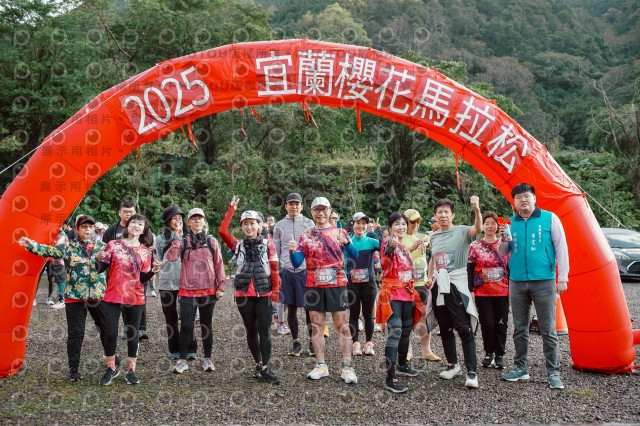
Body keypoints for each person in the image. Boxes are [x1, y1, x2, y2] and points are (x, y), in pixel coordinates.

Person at [20, 215, 111, 381]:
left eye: (90, 227)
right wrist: (31, 245)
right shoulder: (69, 247)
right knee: (76, 333)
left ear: (94, 229)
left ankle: (112, 361)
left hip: (98, 295)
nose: (87, 230)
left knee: (106, 329)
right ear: (77, 229)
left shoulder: (103, 247)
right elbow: (50, 251)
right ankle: (74, 369)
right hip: (75, 296)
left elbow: (117, 264)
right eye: (84, 227)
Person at [498, 183, 569, 390]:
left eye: (527, 196)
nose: (523, 200)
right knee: (520, 328)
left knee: (548, 329)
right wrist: (503, 238)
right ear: (514, 201)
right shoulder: (510, 222)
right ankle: (521, 368)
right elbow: (503, 252)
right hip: (517, 281)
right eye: (518, 197)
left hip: (544, 280)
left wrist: (562, 277)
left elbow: (561, 247)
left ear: (535, 198)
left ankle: (553, 372)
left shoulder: (549, 218)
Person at [289, 197, 359, 383]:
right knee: (317, 325)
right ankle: (321, 365)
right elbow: (297, 263)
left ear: (329, 211)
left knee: (342, 325)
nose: (321, 213)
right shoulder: (306, 235)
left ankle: (347, 367)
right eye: (317, 210)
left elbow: (355, 256)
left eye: (324, 209)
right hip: (314, 284)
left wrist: (347, 243)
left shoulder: (340, 232)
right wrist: (291, 251)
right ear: (312, 212)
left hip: (337, 283)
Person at [219, 196, 281, 384]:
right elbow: (222, 231)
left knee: (265, 330)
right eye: (245, 224)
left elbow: (274, 268)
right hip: (243, 294)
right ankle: (258, 363)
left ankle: (266, 367)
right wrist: (231, 210)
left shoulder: (268, 244)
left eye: (252, 223)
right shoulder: (237, 245)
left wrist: (276, 292)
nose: (249, 227)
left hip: (264, 293)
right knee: (251, 330)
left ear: (260, 225)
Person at [96, 214, 159, 385]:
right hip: (113, 295)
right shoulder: (113, 244)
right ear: (127, 225)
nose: (136, 225)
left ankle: (131, 371)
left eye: (140, 224)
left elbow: (142, 278)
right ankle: (111, 368)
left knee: (133, 334)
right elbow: (100, 269)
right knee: (110, 333)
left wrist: (153, 271)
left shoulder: (145, 251)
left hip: (135, 296)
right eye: (133, 222)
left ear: (143, 230)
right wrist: (98, 259)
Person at [426, 196, 482, 389]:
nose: (443, 215)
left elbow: (478, 228)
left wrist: (476, 209)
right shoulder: (434, 237)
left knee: (464, 328)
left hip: (456, 284)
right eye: (439, 212)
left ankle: (471, 372)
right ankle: (452, 365)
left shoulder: (463, 231)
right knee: (445, 327)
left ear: (453, 215)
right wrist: (430, 277)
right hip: (439, 285)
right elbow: (433, 260)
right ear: (435, 216)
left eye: (446, 212)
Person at [166, 208, 226, 374]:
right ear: (189, 223)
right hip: (188, 290)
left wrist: (221, 286)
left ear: (204, 221)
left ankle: (207, 359)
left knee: (206, 325)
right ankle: (182, 360)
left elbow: (219, 264)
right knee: (186, 325)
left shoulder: (212, 241)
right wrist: (177, 238)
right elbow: (171, 257)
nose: (197, 221)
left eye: (200, 218)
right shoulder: (183, 241)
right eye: (194, 219)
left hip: (208, 290)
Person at [376, 212, 423, 393]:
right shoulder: (387, 242)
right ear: (390, 228)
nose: (401, 227)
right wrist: (392, 244)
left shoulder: (403, 247)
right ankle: (390, 378)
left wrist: (412, 247)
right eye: (397, 224)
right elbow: (389, 250)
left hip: (407, 293)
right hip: (392, 294)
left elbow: (400, 256)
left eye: (404, 224)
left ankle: (402, 365)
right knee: (395, 332)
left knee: (405, 330)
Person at [272, 193, 315, 356]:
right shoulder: (279, 226)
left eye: (297, 204)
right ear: (286, 206)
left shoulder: (309, 223)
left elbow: (314, 247)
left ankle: (312, 342)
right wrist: (277, 272)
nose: (294, 207)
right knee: (291, 308)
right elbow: (276, 250)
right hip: (287, 271)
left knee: (309, 309)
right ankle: (296, 342)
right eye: (291, 204)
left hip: (305, 270)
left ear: (302, 206)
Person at [467, 211, 510, 369]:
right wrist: (470, 289)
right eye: (487, 223)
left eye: (493, 223)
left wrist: (511, 289)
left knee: (501, 323)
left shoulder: (504, 245)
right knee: (487, 323)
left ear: (498, 226)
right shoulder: (475, 246)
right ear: (482, 226)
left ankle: (499, 354)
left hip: (502, 290)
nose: (490, 226)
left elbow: (510, 268)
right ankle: (488, 352)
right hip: (482, 291)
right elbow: (470, 268)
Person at [154, 205, 197, 360]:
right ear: (168, 221)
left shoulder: (189, 237)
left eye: (180, 218)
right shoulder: (160, 239)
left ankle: (191, 347)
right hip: (166, 282)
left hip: (186, 282)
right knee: (170, 317)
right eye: (174, 218)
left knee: (187, 316)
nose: (178, 221)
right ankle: (175, 349)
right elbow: (157, 260)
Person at [403, 208, 440, 362]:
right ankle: (408, 350)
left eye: (418, 221)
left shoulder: (423, 236)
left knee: (424, 315)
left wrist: (425, 243)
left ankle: (427, 350)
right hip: (406, 283)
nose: (416, 224)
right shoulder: (400, 237)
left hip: (421, 282)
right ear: (405, 222)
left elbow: (433, 242)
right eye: (413, 222)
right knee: (407, 317)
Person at [346, 212, 380, 356]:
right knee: (353, 314)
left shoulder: (371, 241)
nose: (361, 226)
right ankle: (355, 343)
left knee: (368, 314)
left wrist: (378, 231)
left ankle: (368, 343)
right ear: (353, 224)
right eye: (358, 223)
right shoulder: (347, 241)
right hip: (352, 284)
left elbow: (386, 248)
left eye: (364, 223)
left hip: (369, 283)